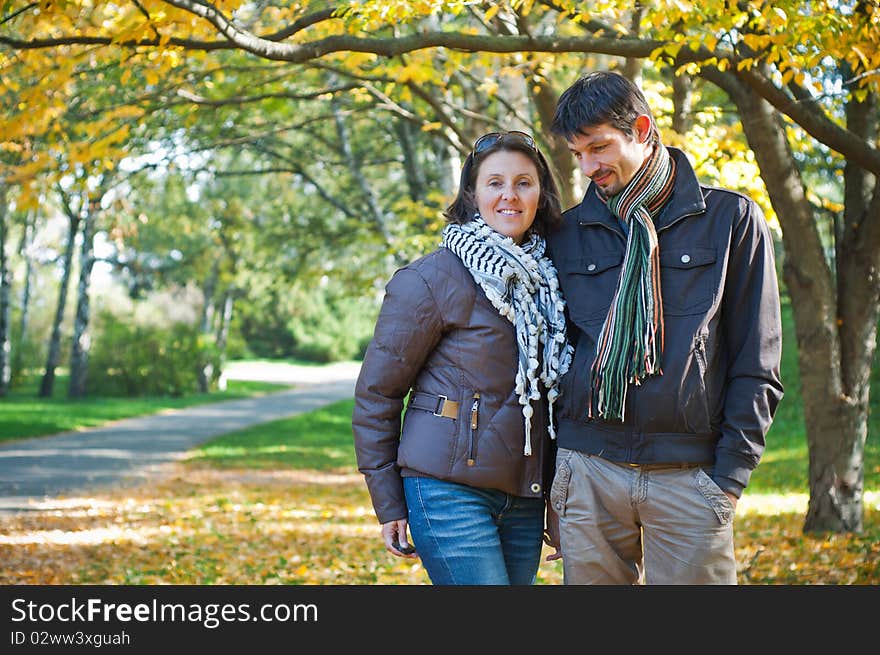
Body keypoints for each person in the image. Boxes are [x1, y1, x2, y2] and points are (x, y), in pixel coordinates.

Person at [544, 70, 784, 584]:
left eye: (599, 148)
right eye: (578, 154)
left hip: (690, 476)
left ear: (643, 128)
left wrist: (727, 480)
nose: (589, 167)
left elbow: (756, 362)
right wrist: (556, 477)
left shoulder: (731, 221)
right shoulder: (566, 233)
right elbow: (551, 359)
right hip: (587, 469)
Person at [352, 130, 572, 585]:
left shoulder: (553, 282)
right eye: (495, 183)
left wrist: (553, 495)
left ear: (541, 194)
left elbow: (555, 402)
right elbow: (378, 394)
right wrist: (389, 502)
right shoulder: (431, 279)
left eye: (523, 183)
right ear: (472, 194)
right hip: (446, 489)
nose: (509, 196)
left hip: (524, 496)